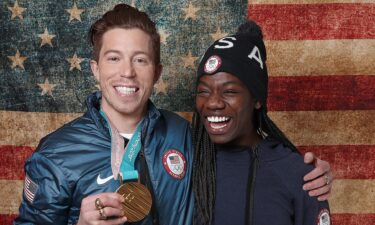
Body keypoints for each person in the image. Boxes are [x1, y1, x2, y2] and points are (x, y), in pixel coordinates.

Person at [14, 4, 332, 225]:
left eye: (140, 60)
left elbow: (247, 154)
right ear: (96, 69)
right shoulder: (56, 153)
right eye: (113, 58)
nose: (127, 72)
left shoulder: (185, 134)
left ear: (157, 72)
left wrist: (308, 171)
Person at [192, 20, 331, 225]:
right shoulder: (187, 158)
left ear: (257, 99)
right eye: (203, 91)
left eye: (229, 91)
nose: (212, 103)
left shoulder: (299, 175)